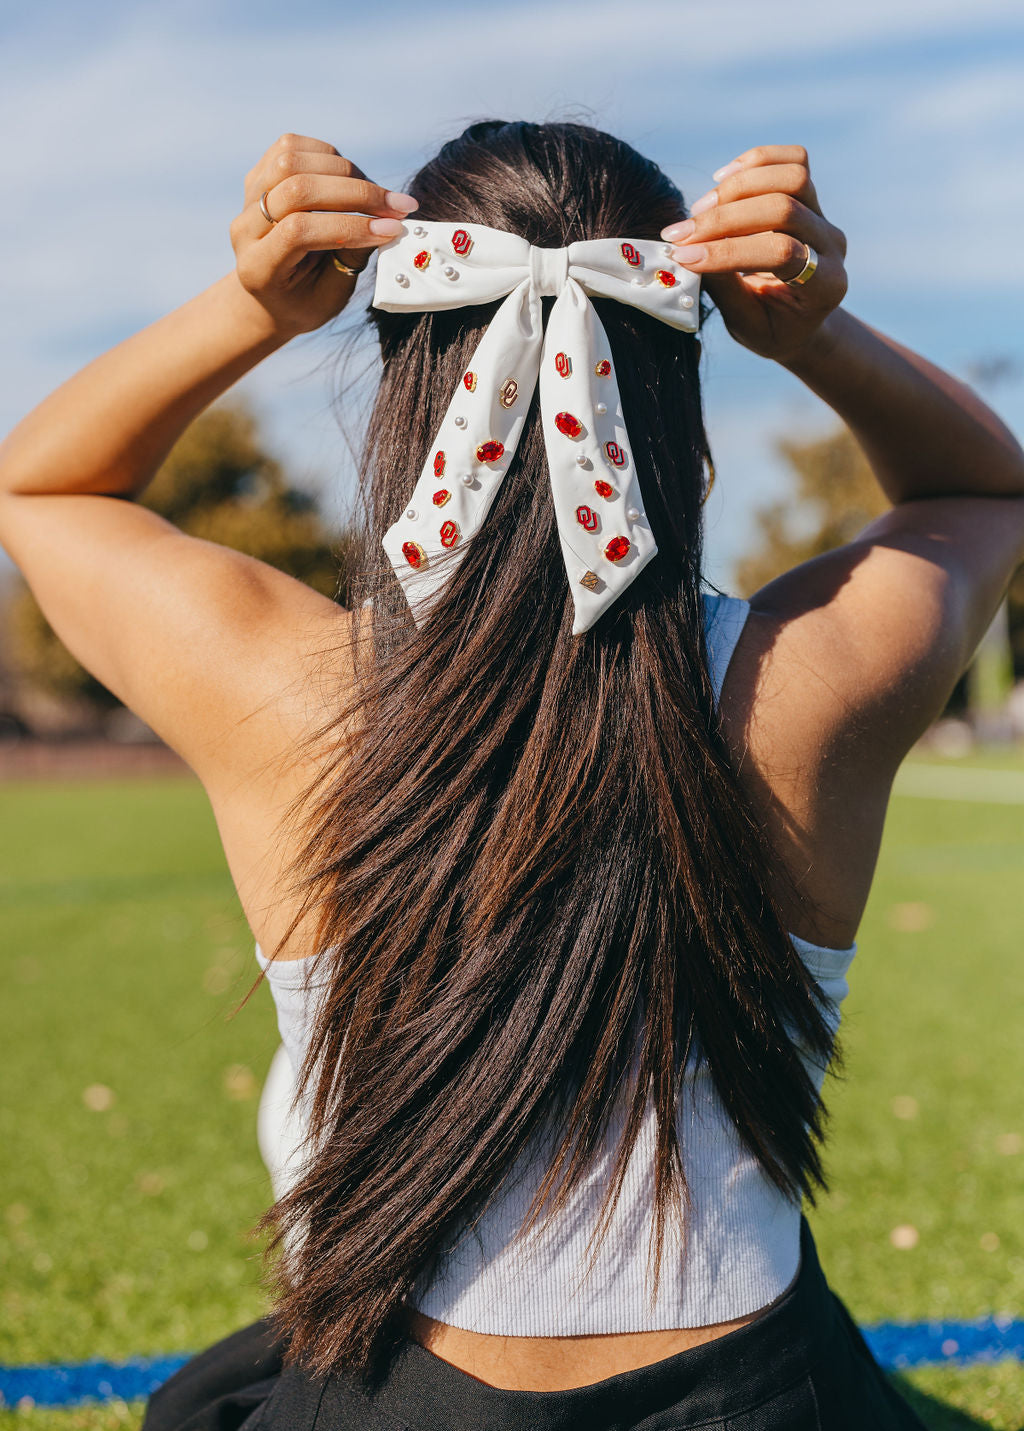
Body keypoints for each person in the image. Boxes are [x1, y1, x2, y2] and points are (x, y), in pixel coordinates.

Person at [1, 121, 1021, 1431]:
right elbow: (987, 491)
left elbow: (46, 490)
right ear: (676, 374)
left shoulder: (293, 691)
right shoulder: (802, 683)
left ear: (410, 380)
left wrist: (249, 305)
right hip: (760, 1401)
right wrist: (817, 334)